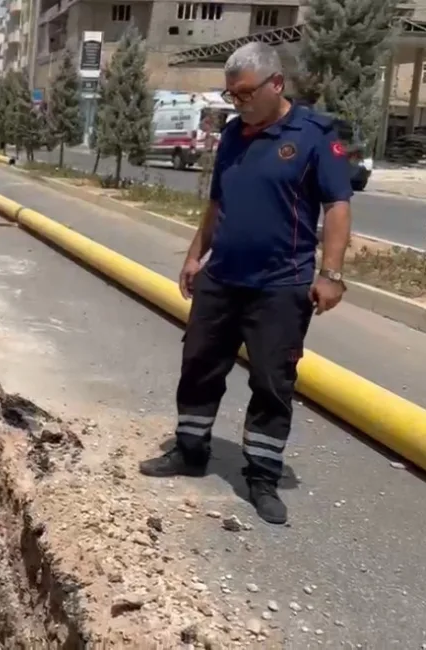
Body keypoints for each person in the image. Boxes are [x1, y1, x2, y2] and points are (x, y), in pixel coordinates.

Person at [137, 42, 353, 526]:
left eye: (245, 94)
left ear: (276, 84)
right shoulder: (234, 134)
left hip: (281, 284)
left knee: (273, 382)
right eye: (231, 95)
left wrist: (332, 274)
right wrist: (195, 257)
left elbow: (338, 205)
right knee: (198, 363)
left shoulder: (315, 135)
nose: (238, 103)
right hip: (222, 277)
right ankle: (190, 450)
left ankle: (262, 477)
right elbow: (218, 203)